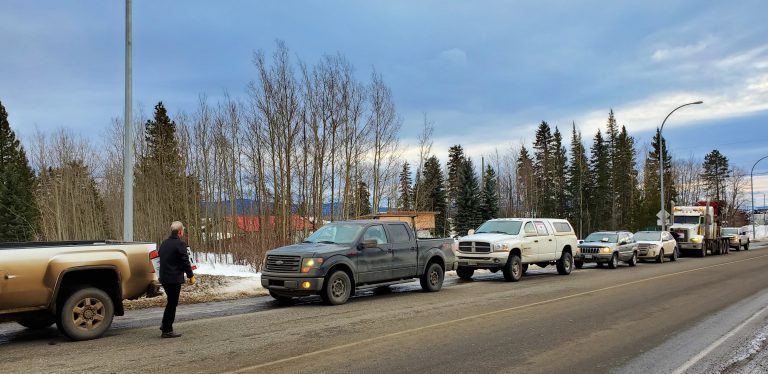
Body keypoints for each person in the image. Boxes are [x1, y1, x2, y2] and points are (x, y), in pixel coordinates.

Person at [158, 221, 196, 338]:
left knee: (171, 302)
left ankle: (165, 325)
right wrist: (191, 276)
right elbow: (185, 261)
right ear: (180, 232)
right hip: (173, 279)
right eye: (183, 231)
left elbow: (161, 259)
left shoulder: (164, 243)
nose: (183, 233)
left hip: (164, 278)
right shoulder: (180, 244)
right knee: (172, 303)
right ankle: (167, 330)